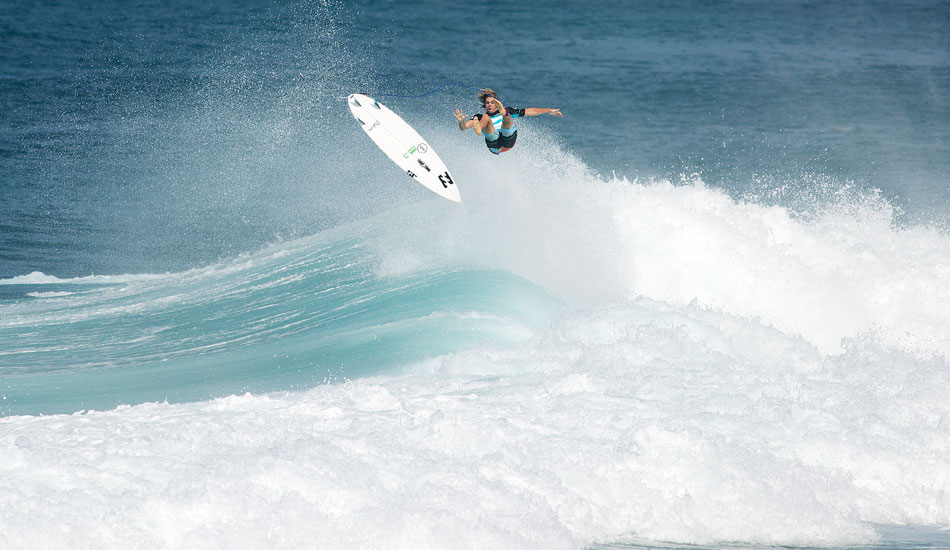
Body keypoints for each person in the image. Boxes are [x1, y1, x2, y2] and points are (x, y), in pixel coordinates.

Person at [453, 89, 562, 155]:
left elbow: (529, 111)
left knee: (507, 116)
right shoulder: (480, 116)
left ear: (497, 103)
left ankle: (502, 113)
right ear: (484, 104)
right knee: (485, 118)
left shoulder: (508, 110)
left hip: (508, 140)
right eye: (487, 103)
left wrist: (548, 110)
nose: (489, 105)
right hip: (495, 146)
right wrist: (461, 121)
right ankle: (479, 128)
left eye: (492, 102)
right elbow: (463, 127)